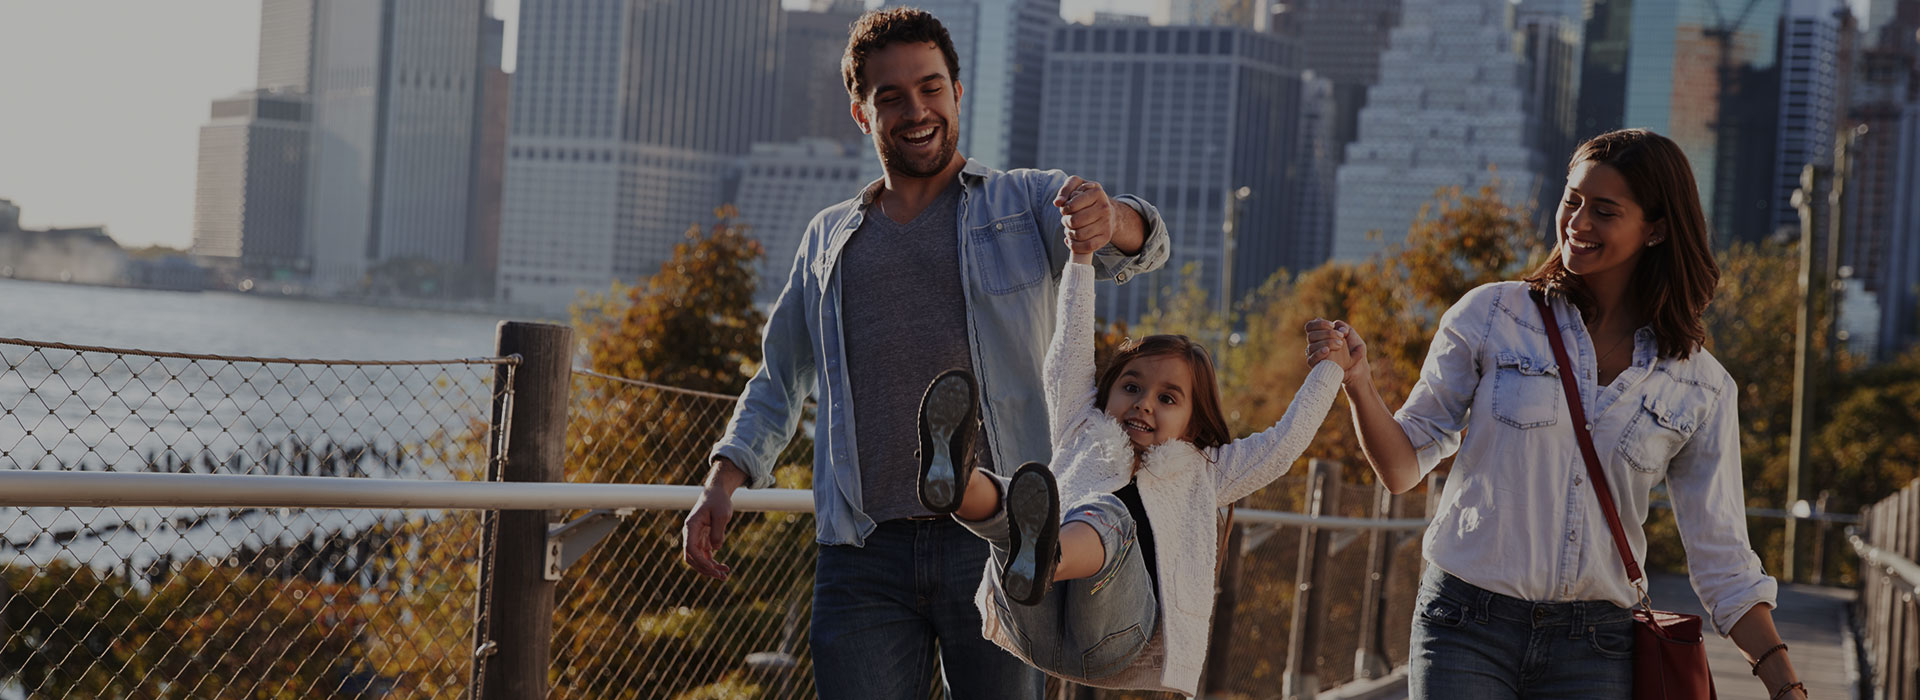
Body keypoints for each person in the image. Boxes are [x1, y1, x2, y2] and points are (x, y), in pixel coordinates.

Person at [683, 8, 1171, 699]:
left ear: (958, 94)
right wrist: (721, 484)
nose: (917, 110)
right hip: (861, 557)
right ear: (861, 113)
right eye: (892, 96)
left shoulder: (1023, 202)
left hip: (1002, 546)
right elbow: (779, 377)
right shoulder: (828, 239)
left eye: (932, 88)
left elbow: (1143, 246)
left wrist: (1111, 216)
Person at [1308, 128, 1809, 699]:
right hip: (1465, 625)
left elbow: (1723, 561)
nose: (1577, 221)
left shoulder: (1700, 385)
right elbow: (1401, 468)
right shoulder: (1493, 313)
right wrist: (1359, 384)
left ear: (1657, 229)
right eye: (1572, 200)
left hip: (1597, 647)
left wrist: (1785, 685)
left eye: (1604, 210)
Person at [909, 230, 1349, 697]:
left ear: (1193, 424)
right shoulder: (1083, 426)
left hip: (1114, 638)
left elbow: (1283, 444)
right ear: (1110, 391)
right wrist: (1079, 257)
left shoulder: (1205, 472)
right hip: (1030, 618)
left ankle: (1045, 551)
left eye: (1167, 398)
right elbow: (1068, 355)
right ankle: (957, 483)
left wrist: (1331, 369)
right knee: (1015, 494)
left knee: (1107, 516)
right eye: (1132, 388)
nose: (1143, 404)